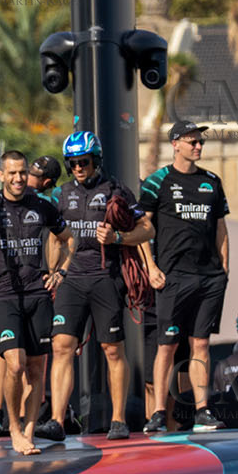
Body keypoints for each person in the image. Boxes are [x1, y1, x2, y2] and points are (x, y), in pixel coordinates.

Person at [44, 131, 154, 441]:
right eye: (73, 163)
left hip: (106, 278)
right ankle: (57, 421)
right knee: (61, 346)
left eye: (84, 162)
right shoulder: (61, 194)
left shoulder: (116, 190)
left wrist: (118, 238)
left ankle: (118, 420)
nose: (78, 168)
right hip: (72, 280)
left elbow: (147, 228)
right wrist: (53, 272)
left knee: (112, 349)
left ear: (96, 160)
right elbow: (55, 236)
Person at [0, 151, 67, 455]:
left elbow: (68, 238)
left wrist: (60, 272)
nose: (18, 178)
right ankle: (13, 428)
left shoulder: (41, 204)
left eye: (22, 172)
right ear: (1, 175)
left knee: (36, 368)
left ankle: (29, 430)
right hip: (5, 296)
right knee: (14, 364)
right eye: (12, 173)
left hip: (37, 294)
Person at [139, 121, 232, 434]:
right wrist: (151, 268)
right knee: (167, 344)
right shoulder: (158, 181)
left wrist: (225, 268)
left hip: (209, 277)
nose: (198, 146)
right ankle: (158, 412)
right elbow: (142, 228)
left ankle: (202, 410)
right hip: (174, 277)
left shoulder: (211, 181)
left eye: (200, 142)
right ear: (175, 144)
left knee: (201, 344)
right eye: (192, 142)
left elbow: (221, 228)